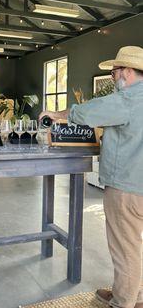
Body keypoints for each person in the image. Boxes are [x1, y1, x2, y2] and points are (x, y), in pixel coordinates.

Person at [39, 46, 143, 308]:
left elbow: (87, 113)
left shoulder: (128, 100)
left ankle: (123, 302)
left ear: (128, 72)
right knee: (135, 245)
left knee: (125, 249)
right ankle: (135, 294)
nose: (112, 76)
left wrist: (58, 114)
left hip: (128, 188)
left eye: (114, 71)